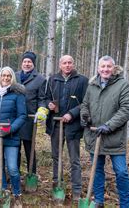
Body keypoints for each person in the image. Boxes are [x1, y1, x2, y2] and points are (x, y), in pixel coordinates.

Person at [80, 55, 129, 208]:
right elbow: (85, 104)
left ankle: (125, 204)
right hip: (94, 135)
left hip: (115, 138)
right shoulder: (92, 85)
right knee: (97, 171)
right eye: (102, 67)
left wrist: (109, 125)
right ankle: (98, 201)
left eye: (108, 66)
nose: (105, 69)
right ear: (98, 68)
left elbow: (127, 109)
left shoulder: (123, 85)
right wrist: (85, 116)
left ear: (114, 68)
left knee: (121, 172)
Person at [44, 55, 88, 201]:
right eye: (64, 63)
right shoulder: (53, 79)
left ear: (73, 64)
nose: (67, 65)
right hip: (56, 124)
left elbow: (86, 103)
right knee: (56, 157)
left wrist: (72, 113)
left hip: (73, 126)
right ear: (60, 65)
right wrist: (49, 104)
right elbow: (46, 98)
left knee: (74, 159)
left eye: (70, 63)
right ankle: (58, 186)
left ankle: (76, 191)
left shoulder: (82, 80)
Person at [0, 67, 27, 199]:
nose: (6, 78)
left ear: (12, 78)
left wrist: (9, 129)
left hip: (11, 137)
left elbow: (22, 116)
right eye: (3, 75)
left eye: (9, 76)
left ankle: (16, 192)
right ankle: (2, 189)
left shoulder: (17, 95)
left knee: (12, 168)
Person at [15, 51, 47, 175]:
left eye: (29, 62)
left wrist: (41, 110)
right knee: (14, 148)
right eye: (25, 61)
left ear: (33, 64)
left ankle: (32, 175)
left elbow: (42, 99)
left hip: (29, 119)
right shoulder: (15, 76)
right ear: (22, 63)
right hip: (15, 118)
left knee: (30, 149)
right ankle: (15, 175)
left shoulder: (40, 79)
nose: (27, 64)